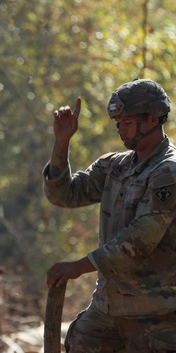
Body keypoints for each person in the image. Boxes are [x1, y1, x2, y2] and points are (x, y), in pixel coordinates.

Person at [43, 78, 176, 352]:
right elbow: (64, 195)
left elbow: (139, 241)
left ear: (151, 119)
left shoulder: (168, 172)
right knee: (80, 340)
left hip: (157, 316)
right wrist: (62, 143)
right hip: (108, 309)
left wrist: (78, 266)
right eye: (118, 124)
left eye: (126, 123)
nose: (120, 130)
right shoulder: (114, 166)